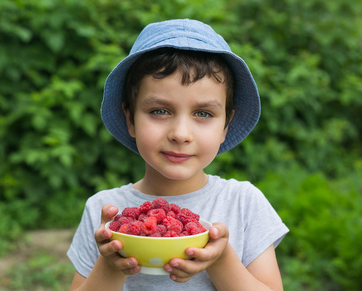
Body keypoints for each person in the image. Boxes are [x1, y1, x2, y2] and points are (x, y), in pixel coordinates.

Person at [67, 19, 289, 291]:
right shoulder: (102, 212)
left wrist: (220, 258)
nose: (180, 133)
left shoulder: (244, 204)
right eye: (160, 111)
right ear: (131, 119)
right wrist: (110, 262)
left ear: (225, 126)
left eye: (203, 113)